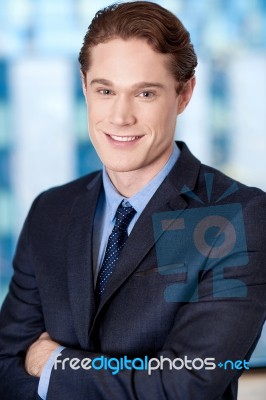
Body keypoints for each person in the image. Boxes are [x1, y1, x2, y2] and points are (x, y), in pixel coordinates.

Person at [0, 2, 266, 399]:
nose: (120, 116)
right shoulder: (50, 211)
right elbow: (6, 367)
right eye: (105, 90)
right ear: (84, 86)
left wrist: (56, 364)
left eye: (145, 93)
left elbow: (186, 385)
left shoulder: (235, 216)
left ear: (184, 93)